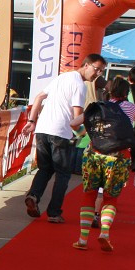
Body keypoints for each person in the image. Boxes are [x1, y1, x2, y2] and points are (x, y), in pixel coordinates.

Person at [22, 54, 108, 223]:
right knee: (63, 174)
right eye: (96, 69)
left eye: (101, 71)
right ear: (86, 65)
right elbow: (76, 120)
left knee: (45, 168)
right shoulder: (79, 86)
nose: (97, 74)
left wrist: (32, 121)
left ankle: (34, 195)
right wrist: (86, 133)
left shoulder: (62, 78)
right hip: (60, 132)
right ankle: (54, 212)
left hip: (42, 129)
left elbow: (39, 97)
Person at [69, 76, 135, 252]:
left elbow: (73, 123)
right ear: (126, 93)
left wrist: (84, 133)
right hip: (119, 158)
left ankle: (83, 239)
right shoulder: (132, 107)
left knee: (89, 195)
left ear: (109, 91)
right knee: (110, 197)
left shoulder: (97, 107)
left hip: (94, 155)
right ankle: (104, 233)